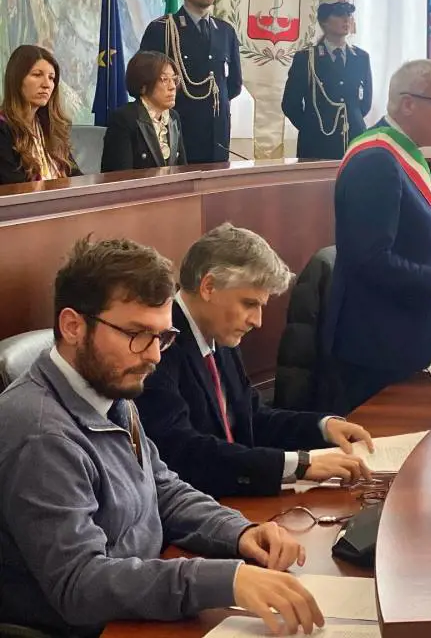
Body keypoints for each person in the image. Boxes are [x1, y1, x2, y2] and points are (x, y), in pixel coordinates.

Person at [0, 236, 323, 637]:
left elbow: (162, 488)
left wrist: (238, 532)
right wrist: (223, 580)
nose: (154, 356)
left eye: (161, 337)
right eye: (137, 333)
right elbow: (80, 584)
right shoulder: (40, 434)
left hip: (144, 604)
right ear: (73, 326)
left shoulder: (110, 388)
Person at [137, 223, 374, 497]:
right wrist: (297, 466)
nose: (257, 321)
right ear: (209, 287)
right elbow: (183, 451)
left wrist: (323, 427)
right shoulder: (159, 345)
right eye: (249, 304)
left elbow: (253, 417)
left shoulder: (219, 333)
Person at [323, 59, 431, 411]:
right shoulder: (376, 160)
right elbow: (368, 259)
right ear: (408, 104)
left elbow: (410, 240)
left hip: (403, 340)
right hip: (378, 347)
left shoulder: (401, 154)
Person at [140, 0, 242, 165]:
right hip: (178, 136)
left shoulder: (225, 32)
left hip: (217, 139)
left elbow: (233, 86)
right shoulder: (162, 30)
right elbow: (145, 85)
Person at [282, 0, 372, 161]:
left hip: (353, 139)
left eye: (348, 14)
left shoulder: (361, 58)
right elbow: (290, 104)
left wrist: (351, 121)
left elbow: (365, 103)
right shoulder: (306, 58)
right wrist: (311, 127)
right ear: (324, 20)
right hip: (316, 144)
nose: (346, 19)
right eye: (339, 14)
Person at [0, 44, 78, 185]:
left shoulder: (51, 127)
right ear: (17, 79)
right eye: (37, 75)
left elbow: (76, 177)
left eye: (51, 78)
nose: (47, 84)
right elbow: (14, 187)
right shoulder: (3, 128)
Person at [101, 51, 187, 172]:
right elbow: (120, 176)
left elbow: (182, 169)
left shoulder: (173, 117)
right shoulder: (124, 119)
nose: (172, 86)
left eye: (174, 79)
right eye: (164, 79)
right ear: (143, 85)